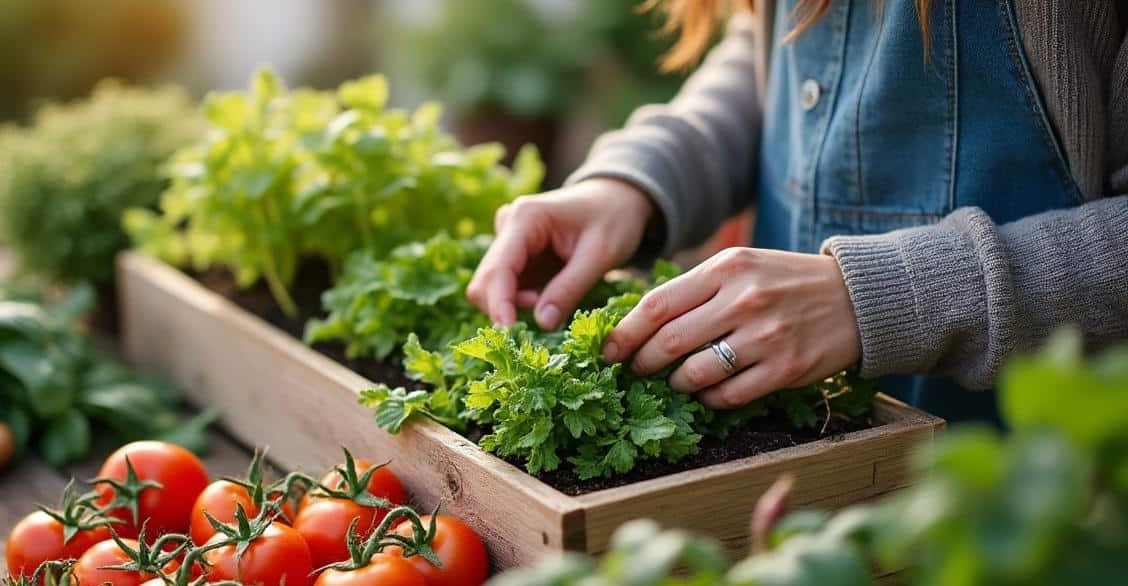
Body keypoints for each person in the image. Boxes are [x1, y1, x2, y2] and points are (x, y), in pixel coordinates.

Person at [464, 0, 1128, 424]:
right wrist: (638, 180)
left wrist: (876, 299)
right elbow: (785, 46)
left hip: (1035, 499)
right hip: (789, 479)